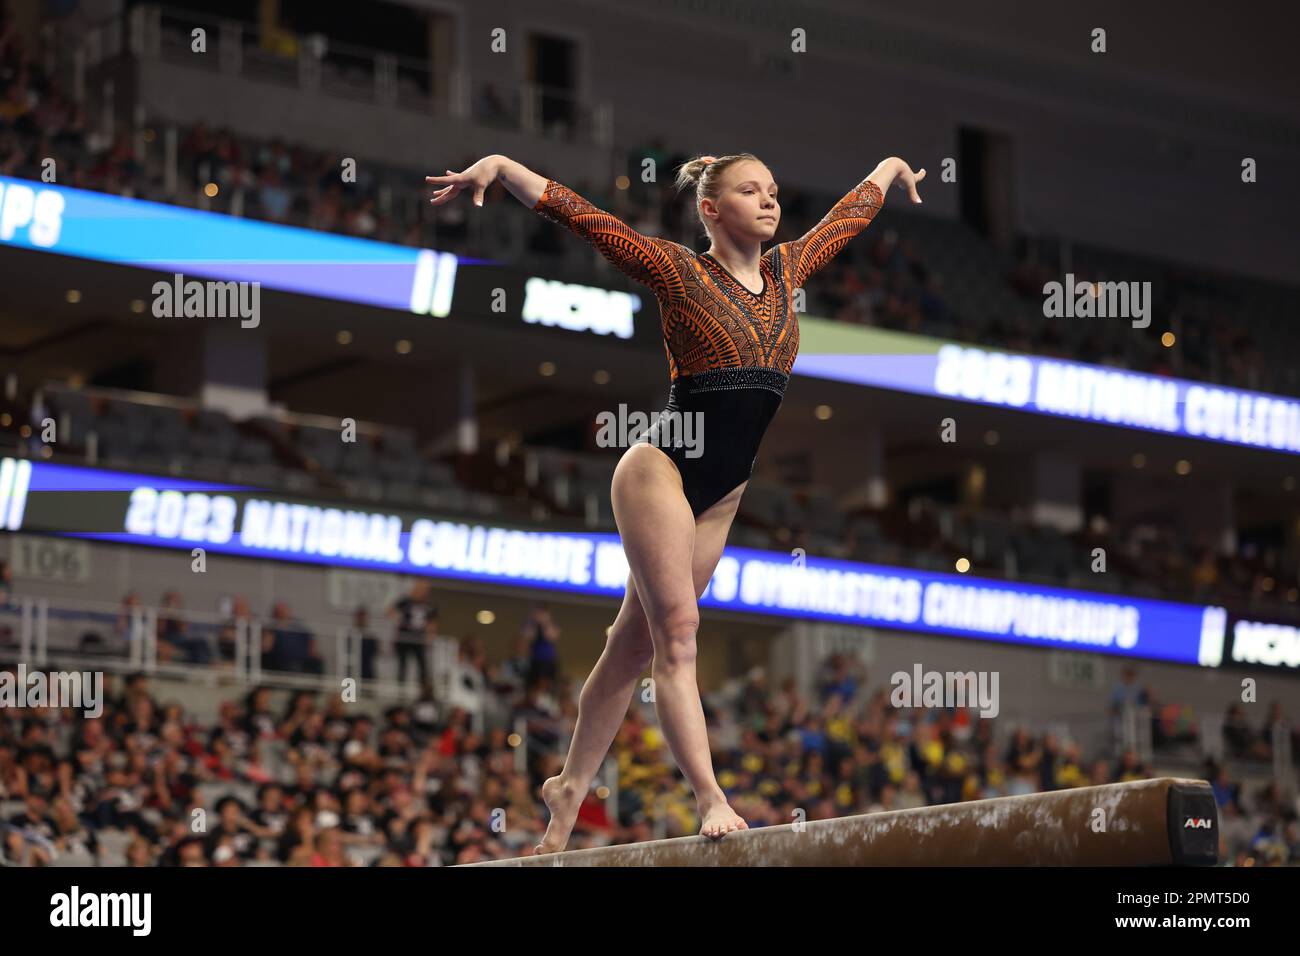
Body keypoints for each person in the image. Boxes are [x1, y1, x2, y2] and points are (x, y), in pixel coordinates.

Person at [426, 149, 922, 853]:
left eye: (774, 189)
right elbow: (587, 219)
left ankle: (567, 790)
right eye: (751, 190)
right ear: (712, 210)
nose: (769, 200)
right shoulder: (678, 270)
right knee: (679, 635)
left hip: (721, 495)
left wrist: (889, 167)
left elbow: (848, 219)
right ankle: (711, 796)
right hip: (659, 470)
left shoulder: (787, 270)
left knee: (630, 649)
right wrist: (502, 168)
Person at [386, 580, 439, 688]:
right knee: (403, 664)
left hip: (418, 639)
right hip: (404, 637)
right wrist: (399, 621)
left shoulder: (429, 605)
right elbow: (390, 611)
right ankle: (400, 687)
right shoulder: (406, 601)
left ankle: (423, 688)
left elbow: (432, 623)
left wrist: (430, 636)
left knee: (422, 665)